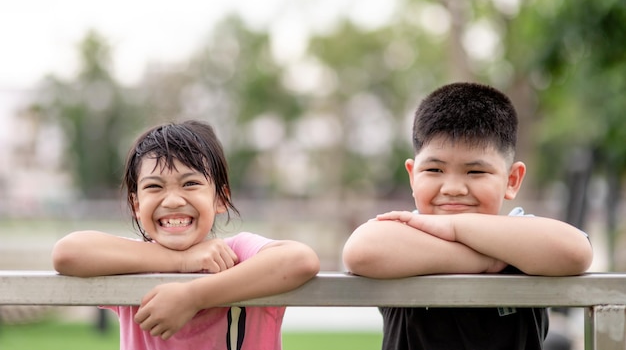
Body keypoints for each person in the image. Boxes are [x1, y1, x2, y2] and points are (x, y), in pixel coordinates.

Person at [342, 82, 593, 350]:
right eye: (434, 170)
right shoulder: (405, 231)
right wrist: (485, 260)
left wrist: (453, 227)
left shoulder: (521, 233)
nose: (453, 189)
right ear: (412, 175)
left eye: (476, 172)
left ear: (512, 180)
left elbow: (576, 252)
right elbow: (360, 252)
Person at [52, 120, 320, 350]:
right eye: (154, 186)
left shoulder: (236, 253)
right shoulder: (133, 260)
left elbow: (300, 260)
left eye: (190, 184)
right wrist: (181, 261)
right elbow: (68, 253)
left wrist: (193, 297)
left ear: (221, 198)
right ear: (136, 204)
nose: (172, 200)